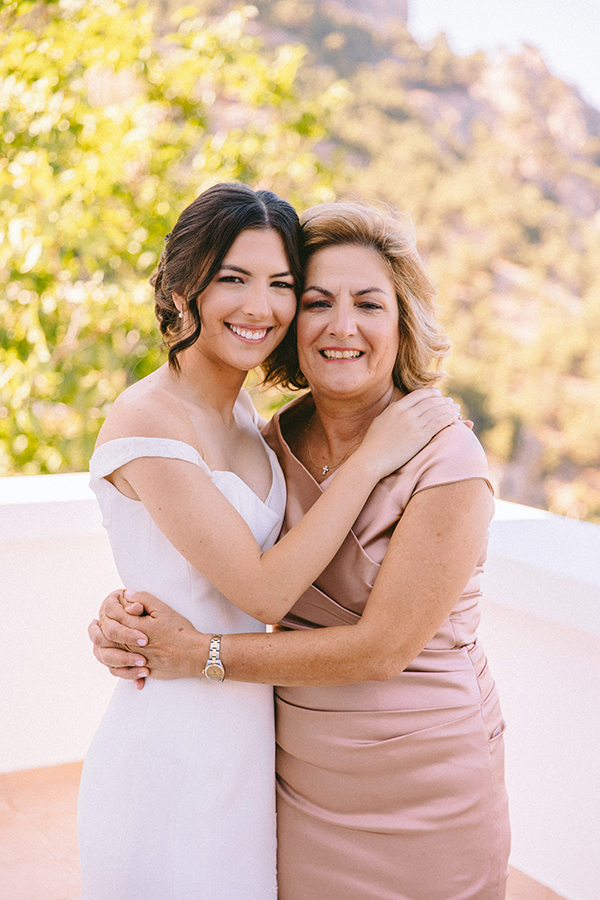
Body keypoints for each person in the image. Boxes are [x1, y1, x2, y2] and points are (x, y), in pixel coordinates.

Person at [78, 184, 464, 900]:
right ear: (184, 286)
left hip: (251, 726)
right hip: (174, 726)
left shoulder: (250, 416)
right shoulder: (150, 418)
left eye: (282, 285)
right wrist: (375, 457)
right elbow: (262, 590)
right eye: (233, 278)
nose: (260, 307)